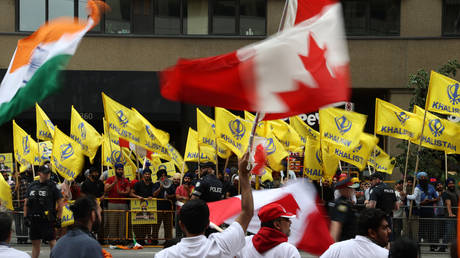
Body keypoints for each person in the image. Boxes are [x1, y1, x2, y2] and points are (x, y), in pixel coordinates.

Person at [155, 152, 254, 258]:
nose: (201, 171)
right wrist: (243, 175)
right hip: (215, 221)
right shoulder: (222, 246)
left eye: (202, 168)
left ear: (181, 225)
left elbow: (193, 199)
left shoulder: (164, 255)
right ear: (207, 223)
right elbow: (247, 213)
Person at [24, 165, 63, 258]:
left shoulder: (53, 186)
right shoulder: (32, 185)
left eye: (48, 172)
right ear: (39, 173)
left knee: (52, 242)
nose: (47, 175)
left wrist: (59, 218)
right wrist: (25, 217)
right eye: (45, 173)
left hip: (47, 220)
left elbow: (60, 203)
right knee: (35, 244)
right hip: (34, 219)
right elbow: (26, 202)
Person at [236, 203, 301, 258]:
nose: (290, 222)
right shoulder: (288, 251)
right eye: (287, 219)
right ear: (277, 225)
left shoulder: (245, 242)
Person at [320, 208, 391, 258]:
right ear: (372, 233)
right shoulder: (385, 255)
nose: (389, 231)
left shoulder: (336, 249)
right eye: (384, 228)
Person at [104, 163, 130, 244]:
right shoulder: (110, 179)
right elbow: (106, 189)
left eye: (121, 169)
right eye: (119, 169)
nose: (120, 171)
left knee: (123, 222)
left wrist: (123, 192)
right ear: (115, 170)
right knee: (112, 222)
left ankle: (122, 239)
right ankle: (113, 239)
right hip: (112, 203)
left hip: (123, 204)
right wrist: (114, 183)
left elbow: (128, 191)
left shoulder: (125, 180)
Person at [328, 175, 360, 242]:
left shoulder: (345, 203)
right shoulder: (341, 205)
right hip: (344, 243)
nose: (353, 190)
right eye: (351, 188)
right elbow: (336, 227)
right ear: (345, 189)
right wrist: (333, 247)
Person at [130, 168, 154, 245]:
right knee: (139, 223)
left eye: (148, 174)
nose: (147, 175)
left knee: (148, 223)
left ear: (150, 175)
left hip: (148, 207)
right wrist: (138, 197)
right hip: (138, 207)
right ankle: (139, 239)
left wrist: (151, 197)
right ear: (143, 175)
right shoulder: (138, 184)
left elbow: (154, 194)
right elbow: (131, 193)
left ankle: (148, 238)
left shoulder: (152, 184)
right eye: (146, 174)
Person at [152, 169, 174, 242]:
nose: (163, 177)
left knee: (168, 226)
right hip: (158, 208)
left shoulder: (170, 184)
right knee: (156, 226)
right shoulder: (156, 184)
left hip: (168, 208)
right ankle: (154, 240)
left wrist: (169, 196)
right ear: (159, 177)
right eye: (162, 176)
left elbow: (174, 194)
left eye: (165, 175)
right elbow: (154, 194)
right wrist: (160, 188)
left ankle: (168, 240)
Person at [175, 172, 195, 238]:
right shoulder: (179, 187)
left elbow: (192, 197)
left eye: (188, 179)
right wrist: (185, 198)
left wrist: (187, 190)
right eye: (185, 178)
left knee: (186, 228)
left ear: (191, 180)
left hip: (189, 211)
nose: (186, 180)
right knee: (178, 228)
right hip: (179, 210)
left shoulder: (193, 188)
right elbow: (177, 197)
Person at [442, 178, 458, 251]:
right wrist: (450, 213)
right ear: (447, 185)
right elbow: (448, 203)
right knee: (449, 232)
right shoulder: (446, 193)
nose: (451, 185)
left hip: (458, 216)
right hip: (450, 216)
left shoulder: (457, 191)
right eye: (449, 183)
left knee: (458, 233)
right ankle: (442, 247)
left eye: (452, 183)